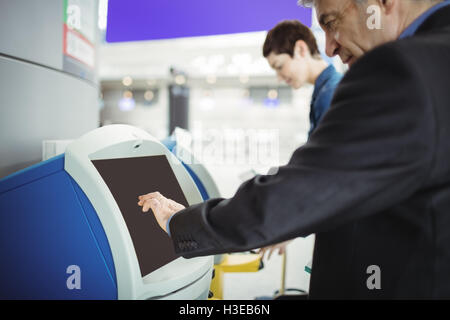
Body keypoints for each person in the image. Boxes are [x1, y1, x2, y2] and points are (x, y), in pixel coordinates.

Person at [138, 0, 450, 299]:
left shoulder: (398, 70)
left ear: (381, 3)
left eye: (331, 22)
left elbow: (310, 189)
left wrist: (178, 222)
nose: (328, 47)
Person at [260, 20, 343, 259]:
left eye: (279, 66)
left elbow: (328, 178)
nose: (279, 77)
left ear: (301, 49)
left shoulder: (331, 94)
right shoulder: (324, 91)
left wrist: (291, 225)